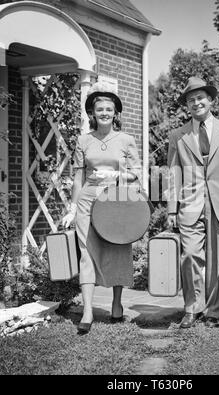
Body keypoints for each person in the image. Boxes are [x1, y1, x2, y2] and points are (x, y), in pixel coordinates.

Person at [167, 76, 219, 329]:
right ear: (187, 105)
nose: (196, 103)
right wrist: (172, 209)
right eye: (191, 100)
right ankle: (192, 308)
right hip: (190, 204)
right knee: (190, 255)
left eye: (200, 98)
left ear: (211, 100)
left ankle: (213, 312)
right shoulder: (177, 135)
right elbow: (173, 174)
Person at [62, 82, 141, 333]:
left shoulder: (127, 139)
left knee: (118, 249)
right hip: (87, 201)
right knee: (87, 253)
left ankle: (117, 305)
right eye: (100, 109)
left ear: (115, 113)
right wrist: (72, 208)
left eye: (109, 109)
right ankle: (87, 311)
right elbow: (77, 178)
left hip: (116, 201)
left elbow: (137, 174)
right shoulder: (83, 140)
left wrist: (117, 174)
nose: (104, 113)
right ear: (92, 114)